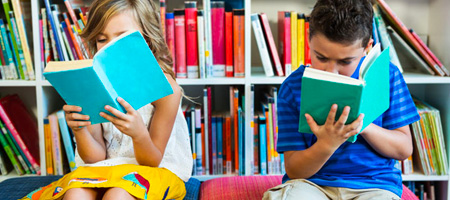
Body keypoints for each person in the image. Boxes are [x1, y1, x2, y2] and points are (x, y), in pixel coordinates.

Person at [23, 0, 192, 199]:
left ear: (146, 38)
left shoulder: (165, 89)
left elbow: (152, 161)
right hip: (104, 169)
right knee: (75, 194)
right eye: (102, 39)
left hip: (153, 170)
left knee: (118, 195)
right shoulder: (94, 83)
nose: (109, 47)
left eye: (122, 38)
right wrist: (80, 130)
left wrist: (139, 134)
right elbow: (95, 157)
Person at [263, 0, 420, 199]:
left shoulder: (386, 77)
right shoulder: (293, 87)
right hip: (312, 185)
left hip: (373, 185)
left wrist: (362, 126)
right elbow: (294, 170)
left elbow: (403, 149)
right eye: (320, 57)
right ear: (309, 42)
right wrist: (327, 143)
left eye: (345, 61)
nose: (332, 70)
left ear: (367, 47)